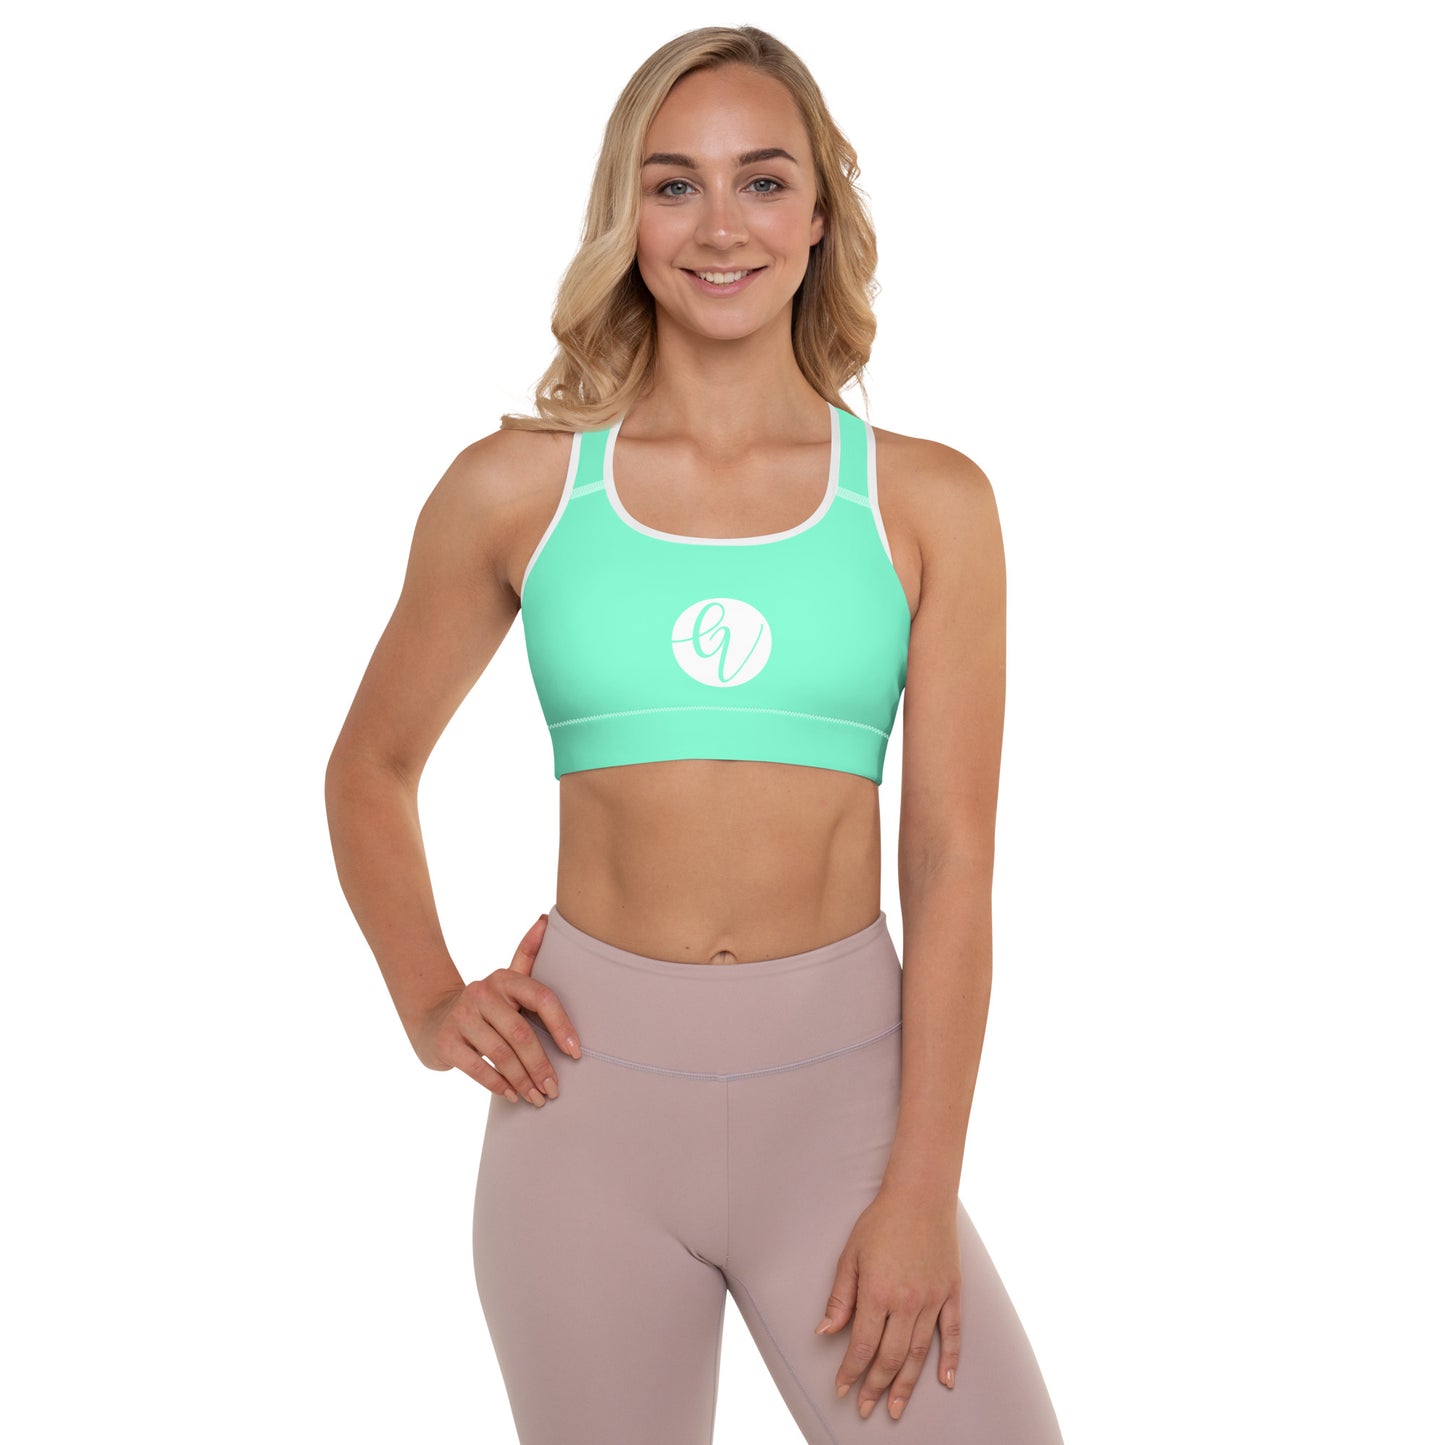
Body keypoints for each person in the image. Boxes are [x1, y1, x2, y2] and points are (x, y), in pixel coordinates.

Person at [325, 23, 1065, 1444]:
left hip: (848, 1116)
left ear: (820, 215)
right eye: (675, 185)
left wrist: (920, 1189)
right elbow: (371, 767)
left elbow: (950, 861)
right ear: (627, 216)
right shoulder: (516, 491)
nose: (721, 225)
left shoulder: (927, 504)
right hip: (584, 1119)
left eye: (762, 181)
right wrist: (428, 1001)